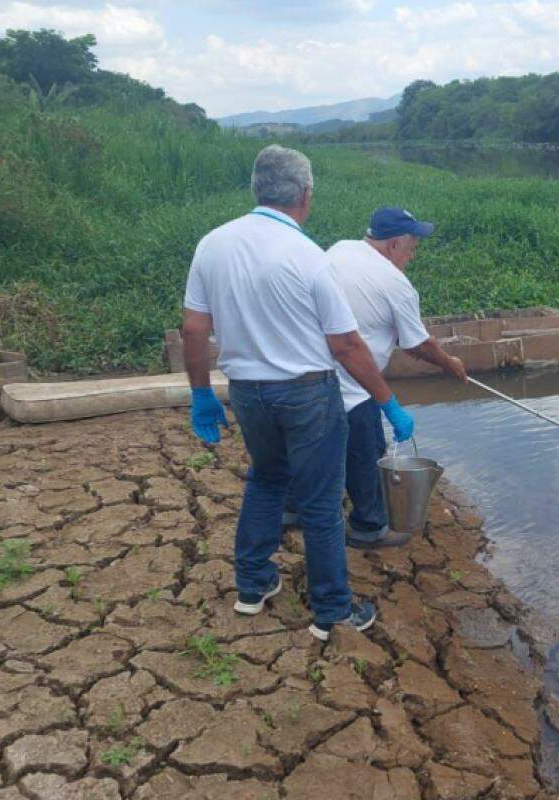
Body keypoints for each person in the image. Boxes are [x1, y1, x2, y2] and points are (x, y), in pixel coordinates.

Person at [181, 145, 416, 642]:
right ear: (305, 195)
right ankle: (331, 610)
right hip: (307, 393)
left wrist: (201, 393)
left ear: (257, 189)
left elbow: (194, 329)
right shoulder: (308, 255)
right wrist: (385, 401)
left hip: (247, 391)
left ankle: (252, 585)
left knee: (266, 481)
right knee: (322, 503)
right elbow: (347, 345)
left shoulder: (213, 244)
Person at [325, 206, 466, 548]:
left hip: (312, 377)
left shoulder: (340, 249)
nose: (411, 257)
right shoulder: (395, 284)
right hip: (354, 384)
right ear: (392, 245)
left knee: (327, 447)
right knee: (368, 452)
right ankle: (368, 527)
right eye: (411, 249)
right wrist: (450, 364)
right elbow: (418, 343)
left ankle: (307, 505)